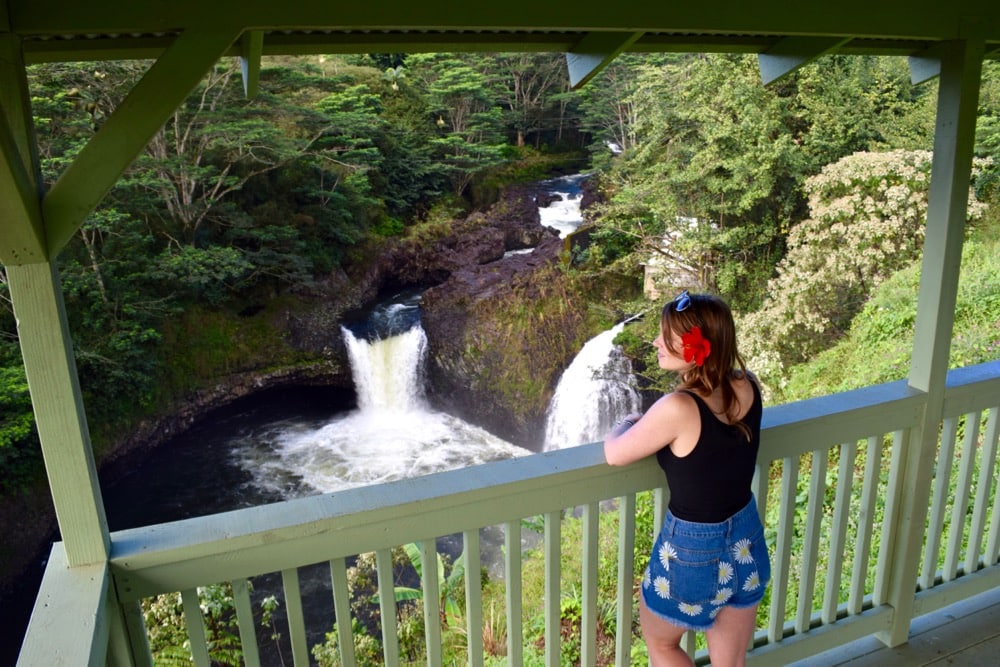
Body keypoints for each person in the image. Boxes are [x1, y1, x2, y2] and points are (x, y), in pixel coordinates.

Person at [604, 291, 769, 667]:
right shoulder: (748, 386)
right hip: (745, 540)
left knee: (662, 645)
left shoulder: (678, 407)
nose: (656, 341)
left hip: (692, 551)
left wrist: (626, 422)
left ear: (698, 347)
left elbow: (614, 454)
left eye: (667, 336)